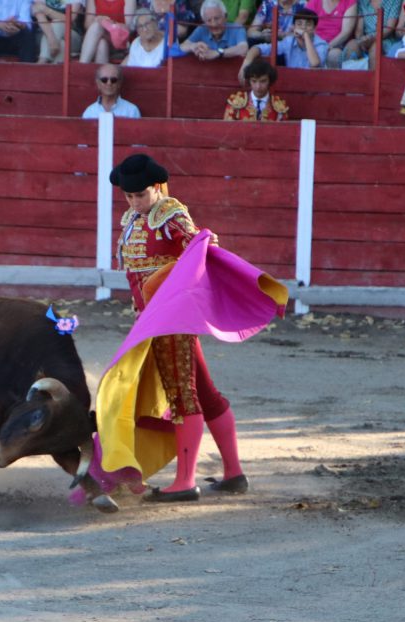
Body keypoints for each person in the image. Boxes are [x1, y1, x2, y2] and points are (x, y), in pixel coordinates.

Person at [103, 153, 286, 502]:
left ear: (156, 188)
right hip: (151, 321)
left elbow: (200, 252)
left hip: (171, 319)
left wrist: (204, 241)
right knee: (204, 392)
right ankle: (234, 474)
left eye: (140, 195)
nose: (134, 202)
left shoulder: (171, 214)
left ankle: (185, 482)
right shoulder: (131, 218)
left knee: (181, 394)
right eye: (128, 196)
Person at [240, 7, 327, 69]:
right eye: (299, 24)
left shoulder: (321, 44)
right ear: (293, 27)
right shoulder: (289, 42)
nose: (303, 27)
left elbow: (315, 63)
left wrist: (306, 37)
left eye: (308, 24)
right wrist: (247, 61)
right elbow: (260, 48)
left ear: (314, 28)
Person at [180, 0, 249, 60]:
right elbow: (182, 47)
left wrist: (218, 52)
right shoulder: (202, 29)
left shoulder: (237, 28)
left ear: (225, 16)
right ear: (204, 21)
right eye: (209, 20)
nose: (214, 24)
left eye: (217, 18)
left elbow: (243, 48)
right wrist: (193, 46)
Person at [224, 58, 289, 120]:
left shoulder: (280, 106)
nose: (258, 86)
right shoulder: (235, 102)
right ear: (249, 80)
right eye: (254, 81)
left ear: (270, 81)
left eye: (263, 81)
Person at [342, 0, 401, 65]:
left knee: (375, 47)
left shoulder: (394, 1)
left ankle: (374, 74)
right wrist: (362, 40)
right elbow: (359, 30)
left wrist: (372, 38)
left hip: (385, 40)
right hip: (366, 39)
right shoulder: (362, 2)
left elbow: (389, 28)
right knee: (351, 46)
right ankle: (349, 75)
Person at [305, 0, 357, 67]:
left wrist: (326, 47)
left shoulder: (349, 1)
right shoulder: (314, 2)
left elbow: (346, 32)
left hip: (337, 45)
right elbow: (305, 26)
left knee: (334, 55)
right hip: (315, 44)